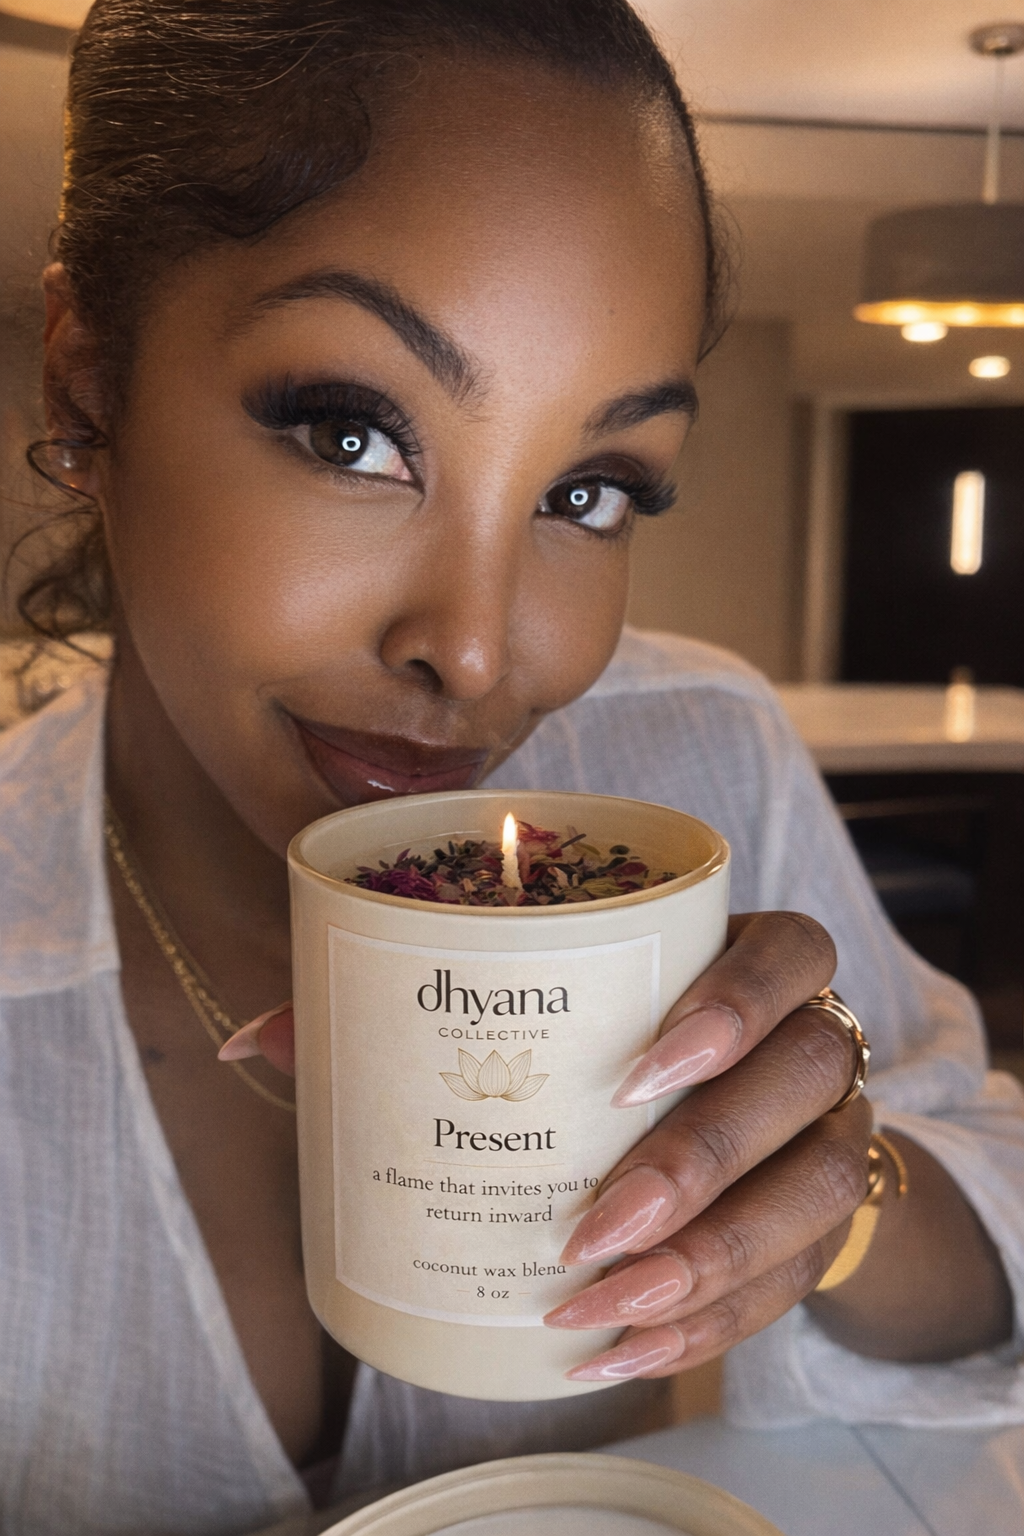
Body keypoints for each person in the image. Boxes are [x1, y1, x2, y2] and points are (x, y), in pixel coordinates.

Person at [0, 2, 1020, 1532]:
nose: (479, 656)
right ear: (88, 386)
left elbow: (996, 1245)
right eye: (353, 436)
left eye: (591, 490)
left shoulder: (695, 765)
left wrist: (836, 1207)